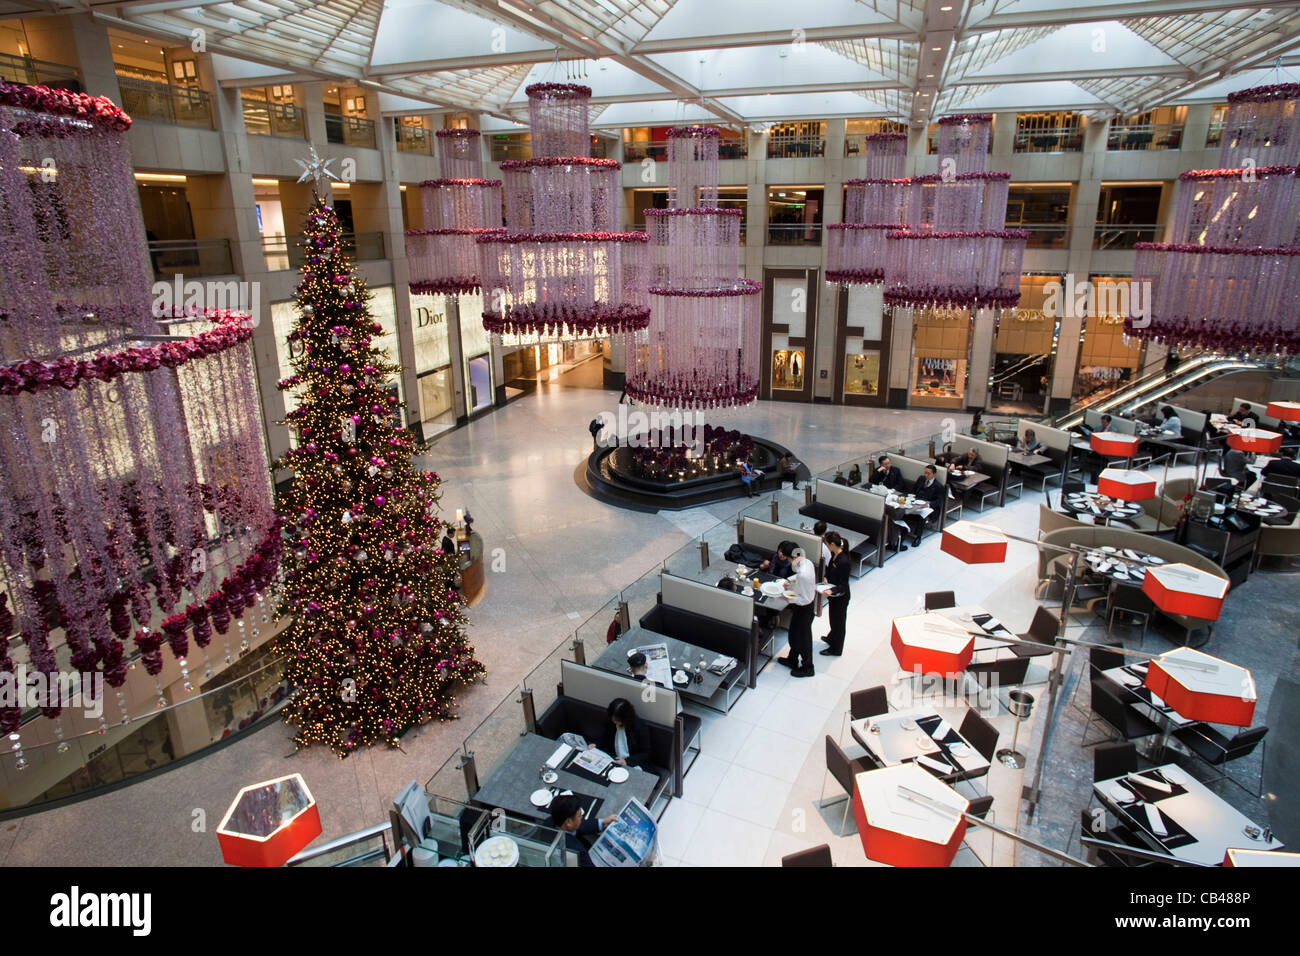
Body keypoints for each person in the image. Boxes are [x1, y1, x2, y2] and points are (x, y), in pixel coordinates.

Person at [775, 541, 818, 677]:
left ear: (792, 557)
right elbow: (798, 576)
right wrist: (789, 581)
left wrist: (786, 598)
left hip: (805, 607)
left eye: (787, 558)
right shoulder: (806, 562)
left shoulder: (804, 574)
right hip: (803, 606)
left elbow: (805, 598)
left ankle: (808, 667)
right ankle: (792, 660)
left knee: (803, 638)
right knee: (794, 635)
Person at [548, 794, 618, 868]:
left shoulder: (553, 821)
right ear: (568, 822)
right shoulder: (576, 853)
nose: (582, 817)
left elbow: (579, 826)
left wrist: (602, 822)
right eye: (579, 816)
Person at [819, 532, 851, 657]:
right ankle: (832, 638)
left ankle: (836, 649)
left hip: (840, 596)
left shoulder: (844, 561)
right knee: (833, 620)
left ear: (832, 544)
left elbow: (843, 585)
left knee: (839, 623)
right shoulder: (835, 555)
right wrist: (826, 577)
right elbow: (830, 570)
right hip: (834, 594)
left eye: (827, 544)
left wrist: (831, 591)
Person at [596, 698, 651, 769]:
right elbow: (604, 737)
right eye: (612, 718)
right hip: (613, 757)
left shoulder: (640, 727)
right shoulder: (611, 722)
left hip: (632, 762)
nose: (614, 721)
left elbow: (645, 753)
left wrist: (627, 761)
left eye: (617, 720)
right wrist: (596, 744)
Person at [904, 464, 945, 547]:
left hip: (929, 506)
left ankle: (918, 537)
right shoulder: (921, 479)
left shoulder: (938, 486)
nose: (926, 475)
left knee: (923, 514)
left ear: (934, 474)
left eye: (928, 473)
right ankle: (903, 530)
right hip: (917, 501)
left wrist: (928, 504)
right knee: (904, 507)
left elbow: (938, 501)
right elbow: (914, 490)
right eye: (925, 473)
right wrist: (912, 497)